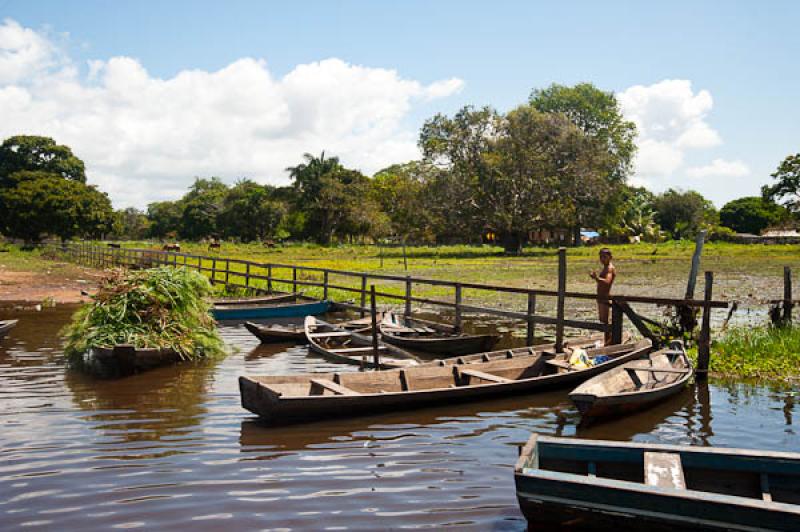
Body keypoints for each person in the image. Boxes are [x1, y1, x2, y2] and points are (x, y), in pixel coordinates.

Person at [590, 248, 616, 345]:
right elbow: (602, 282)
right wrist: (596, 279)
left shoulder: (609, 268)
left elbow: (607, 282)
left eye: (604, 256)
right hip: (601, 298)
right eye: (601, 257)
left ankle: (609, 343)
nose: (602, 259)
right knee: (603, 321)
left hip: (605, 298)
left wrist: (596, 278)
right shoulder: (605, 268)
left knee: (606, 323)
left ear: (610, 257)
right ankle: (607, 342)